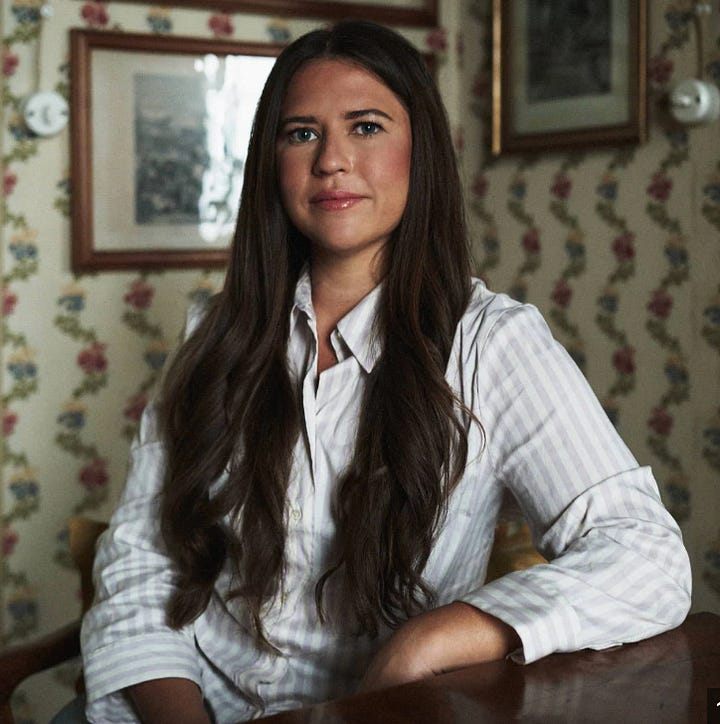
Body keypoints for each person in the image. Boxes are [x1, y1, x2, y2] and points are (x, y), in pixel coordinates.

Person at [79, 19, 691, 724]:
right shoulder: (216, 331)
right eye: (301, 133)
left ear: (419, 150)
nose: (332, 161)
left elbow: (645, 554)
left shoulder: (491, 345)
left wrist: (429, 640)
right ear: (271, 162)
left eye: (366, 127)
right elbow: (140, 560)